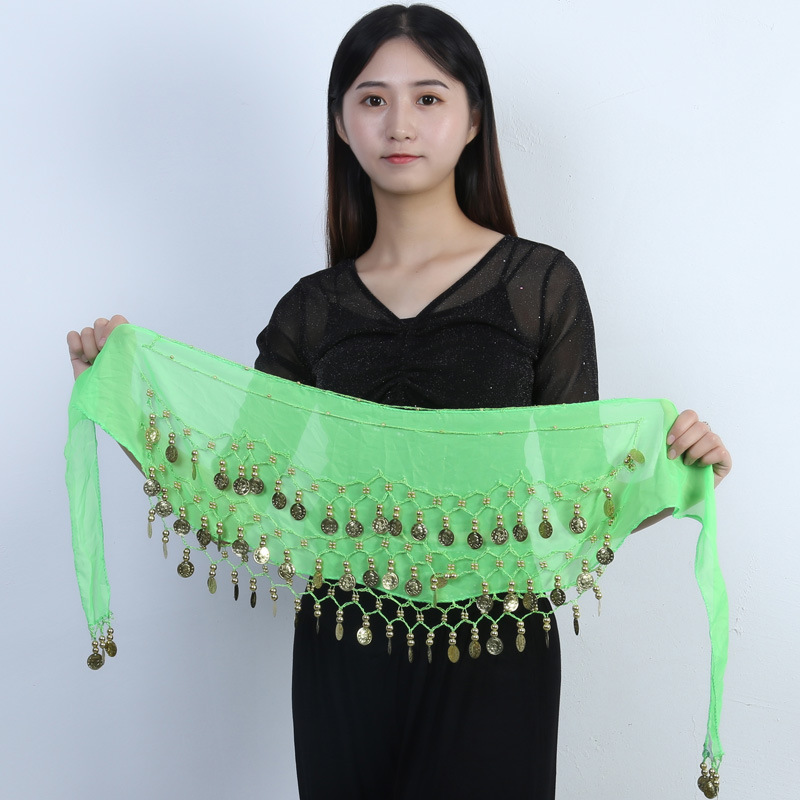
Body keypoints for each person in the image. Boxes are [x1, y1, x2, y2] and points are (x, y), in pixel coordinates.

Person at [67, 5, 732, 798]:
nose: (400, 124)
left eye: (428, 97)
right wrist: (120, 398)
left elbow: (577, 502)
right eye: (373, 99)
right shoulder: (310, 311)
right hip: (342, 652)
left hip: (496, 646)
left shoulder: (539, 284)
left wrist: (678, 473)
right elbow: (238, 498)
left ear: (473, 118)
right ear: (341, 123)